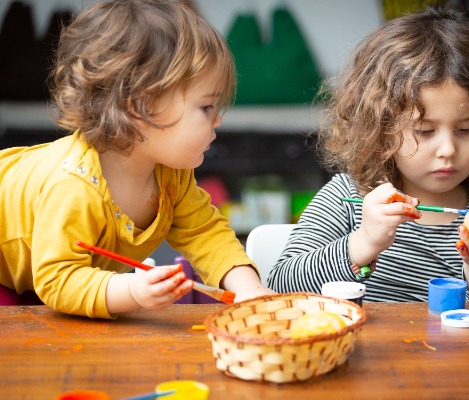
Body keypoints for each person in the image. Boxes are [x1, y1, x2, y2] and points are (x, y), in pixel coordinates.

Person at [0, 0, 274, 318]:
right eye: (206, 107)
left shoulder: (171, 175)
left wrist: (250, 290)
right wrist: (132, 291)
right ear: (140, 106)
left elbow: (204, 233)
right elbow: (58, 280)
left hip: (37, 280)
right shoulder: (73, 187)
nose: (218, 121)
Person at [268, 5, 469, 302]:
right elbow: (280, 284)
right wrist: (363, 242)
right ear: (381, 129)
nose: (448, 150)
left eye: (466, 130)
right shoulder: (348, 199)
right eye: (424, 131)